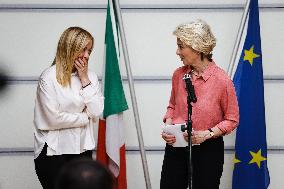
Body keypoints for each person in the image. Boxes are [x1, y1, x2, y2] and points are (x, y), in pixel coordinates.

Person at [160, 19, 239, 189]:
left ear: (196, 47)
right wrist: (168, 128)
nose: (177, 52)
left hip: (208, 151)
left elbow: (232, 119)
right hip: (176, 147)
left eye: (181, 47)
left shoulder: (222, 81)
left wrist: (207, 134)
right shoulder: (178, 75)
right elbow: (172, 106)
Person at [33, 26, 104, 189]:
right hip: (52, 151)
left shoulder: (90, 76)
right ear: (69, 47)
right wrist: (84, 118)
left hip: (81, 149)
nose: (86, 56)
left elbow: (97, 111)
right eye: (83, 50)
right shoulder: (49, 76)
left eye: (90, 51)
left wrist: (84, 78)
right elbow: (51, 120)